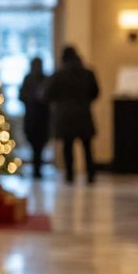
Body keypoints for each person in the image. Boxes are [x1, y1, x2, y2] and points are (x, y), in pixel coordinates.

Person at [43, 45, 101, 183]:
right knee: (87, 147)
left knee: (67, 147)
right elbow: (96, 92)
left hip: (65, 116)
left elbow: (46, 94)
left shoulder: (58, 74)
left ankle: (69, 175)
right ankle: (90, 174)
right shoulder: (88, 73)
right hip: (83, 114)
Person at [19, 57, 51, 178]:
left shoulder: (42, 78)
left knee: (38, 145)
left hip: (39, 117)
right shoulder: (30, 79)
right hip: (36, 117)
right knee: (36, 145)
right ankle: (36, 170)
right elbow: (21, 96)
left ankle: (37, 170)